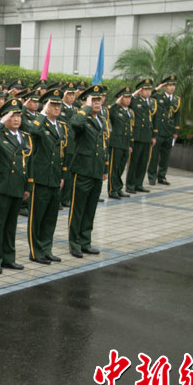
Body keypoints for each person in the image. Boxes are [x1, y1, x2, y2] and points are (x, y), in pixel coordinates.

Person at [0, 100, 31, 273]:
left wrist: (28, 186)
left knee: (11, 225)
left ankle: (9, 258)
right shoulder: (0, 135)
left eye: (18, 115)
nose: (16, 119)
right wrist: (1, 123)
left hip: (18, 185)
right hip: (2, 185)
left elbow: (28, 162)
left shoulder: (24, 136)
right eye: (12, 116)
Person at [23, 89, 67, 265]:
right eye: (52, 105)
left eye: (58, 105)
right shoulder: (39, 123)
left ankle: (47, 249)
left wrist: (63, 175)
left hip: (55, 177)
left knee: (50, 218)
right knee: (37, 217)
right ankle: (35, 251)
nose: (56, 108)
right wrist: (42, 113)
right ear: (46, 106)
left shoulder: (61, 126)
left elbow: (64, 152)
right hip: (40, 177)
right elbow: (33, 130)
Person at [68, 85, 109, 258]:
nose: (97, 103)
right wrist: (86, 107)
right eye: (94, 100)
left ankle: (85, 241)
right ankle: (74, 243)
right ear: (85, 101)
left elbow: (104, 145)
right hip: (83, 169)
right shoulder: (81, 117)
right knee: (78, 209)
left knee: (90, 209)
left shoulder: (102, 119)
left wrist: (105, 168)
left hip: (96, 170)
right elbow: (75, 124)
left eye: (99, 100)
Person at [149, 75, 180, 186]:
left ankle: (162, 176)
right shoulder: (158, 97)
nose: (172, 87)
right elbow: (148, 96)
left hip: (169, 131)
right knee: (154, 156)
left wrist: (176, 131)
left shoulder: (176, 100)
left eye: (173, 85)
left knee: (165, 156)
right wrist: (157, 88)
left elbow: (177, 116)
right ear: (165, 87)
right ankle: (152, 176)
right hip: (158, 130)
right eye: (169, 85)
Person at [126, 78, 155, 194]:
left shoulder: (151, 102)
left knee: (143, 162)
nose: (148, 92)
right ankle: (130, 185)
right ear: (140, 90)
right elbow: (127, 101)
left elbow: (152, 119)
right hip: (137, 136)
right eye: (145, 89)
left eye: (149, 90)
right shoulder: (134, 101)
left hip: (147, 136)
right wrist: (134, 94)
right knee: (134, 162)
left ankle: (139, 184)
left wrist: (153, 136)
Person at [107, 87, 134, 200]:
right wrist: (115, 103)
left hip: (125, 143)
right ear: (120, 98)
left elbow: (131, 128)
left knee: (121, 167)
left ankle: (118, 188)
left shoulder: (130, 112)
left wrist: (131, 144)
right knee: (114, 167)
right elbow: (107, 112)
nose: (128, 99)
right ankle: (112, 190)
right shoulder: (115, 110)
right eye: (125, 97)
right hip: (116, 143)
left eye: (129, 97)